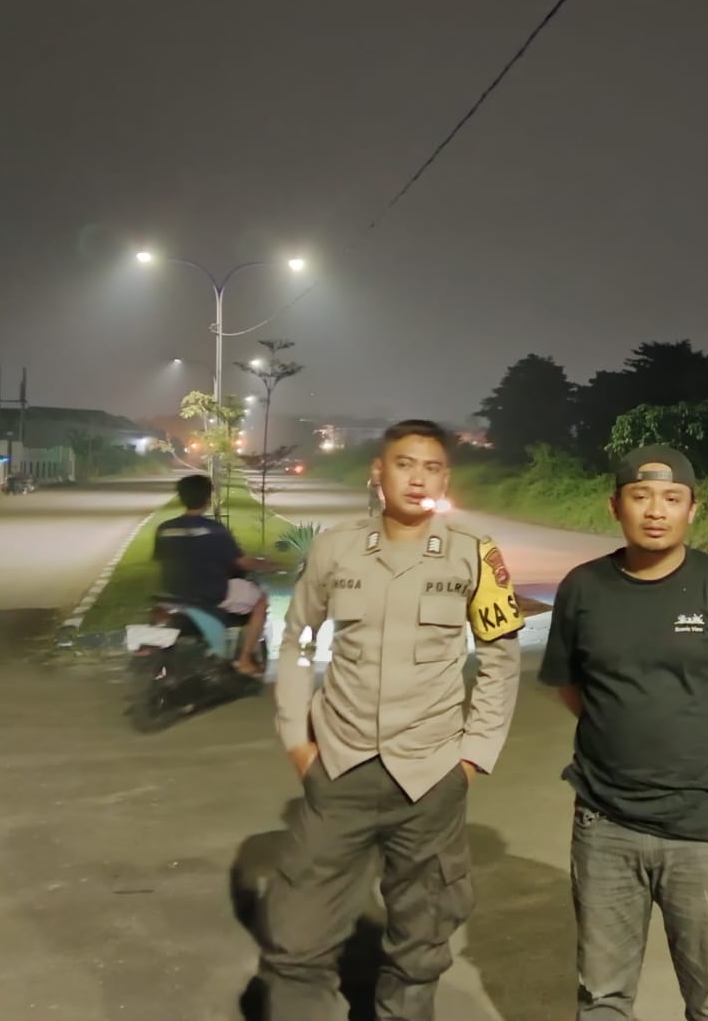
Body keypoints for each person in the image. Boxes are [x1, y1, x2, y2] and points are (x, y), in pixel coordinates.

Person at [260, 419, 525, 1021]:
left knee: (421, 941)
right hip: (339, 766)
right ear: (378, 472)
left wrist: (473, 757)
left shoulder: (474, 553)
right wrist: (297, 739)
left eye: (432, 468)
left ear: (446, 478)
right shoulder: (336, 548)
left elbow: (501, 658)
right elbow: (298, 640)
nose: (418, 479)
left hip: (431, 776)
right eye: (405, 464)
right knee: (296, 936)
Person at [539, 445, 708, 1021]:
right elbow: (569, 684)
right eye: (640, 496)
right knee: (602, 998)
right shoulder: (583, 588)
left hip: (702, 826)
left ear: (692, 509)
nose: (655, 510)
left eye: (672, 498)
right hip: (605, 825)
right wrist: (620, 727)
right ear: (615, 506)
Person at [152, 473, 271, 675]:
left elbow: (162, 559)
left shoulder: (164, 529)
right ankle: (245, 660)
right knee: (261, 601)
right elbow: (240, 562)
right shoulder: (215, 529)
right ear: (208, 498)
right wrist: (269, 564)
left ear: (181, 497)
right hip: (212, 592)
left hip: (173, 593)